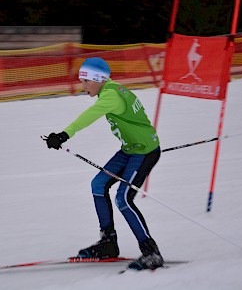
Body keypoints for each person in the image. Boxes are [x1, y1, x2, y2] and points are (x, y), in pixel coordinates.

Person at [44, 57, 163, 270]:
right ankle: (109, 242)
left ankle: (151, 251)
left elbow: (91, 115)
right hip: (129, 150)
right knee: (98, 185)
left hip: (144, 153)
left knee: (124, 199)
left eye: (86, 81)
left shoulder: (111, 95)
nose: (83, 86)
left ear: (98, 79)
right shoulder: (109, 90)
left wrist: (64, 135)